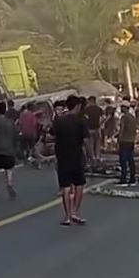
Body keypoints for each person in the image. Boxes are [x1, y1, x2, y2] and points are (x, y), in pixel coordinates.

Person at [50, 96, 90, 226]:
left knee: (66, 187)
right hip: (77, 157)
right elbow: (86, 140)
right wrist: (90, 155)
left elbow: (51, 135)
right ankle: (75, 212)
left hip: (62, 157)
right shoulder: (81, 121)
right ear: (77, 106)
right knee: (79, 185)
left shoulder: (59, 121)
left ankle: (67, 216)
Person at [117, 100, 138, 185]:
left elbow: (122, 129)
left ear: (124, 108)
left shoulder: (124, 117)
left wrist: (119, 138)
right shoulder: (132, 118)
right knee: (131, 160)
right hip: (131, 140)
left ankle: (123, 177)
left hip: (124, 141)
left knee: (123, 160)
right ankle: (132, 177)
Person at [83, 96, 104, 166]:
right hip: (97, 128)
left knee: (91, 143)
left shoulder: (87, 109)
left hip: (90, 128)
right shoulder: (99, 109)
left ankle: (93, 157)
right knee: (98, 143)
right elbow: (103, 118)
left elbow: (85, 118)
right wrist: (99, 124)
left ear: (90, 101)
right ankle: (98, 156)